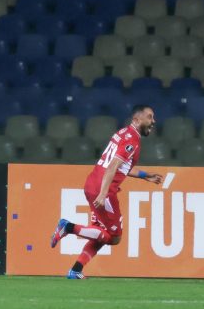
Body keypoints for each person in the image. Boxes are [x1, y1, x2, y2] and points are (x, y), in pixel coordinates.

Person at [49, 105, 163, 279]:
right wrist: (103, 194)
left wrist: (144, 175)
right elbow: (112, 166)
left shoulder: (123, 133)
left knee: (101, 234)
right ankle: (68, 227)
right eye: (150, 117)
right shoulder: (132, 139)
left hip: (92, 184)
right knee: (114, 237)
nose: (153, 121)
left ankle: (76, 270)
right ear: (137, 119)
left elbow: (122, 167)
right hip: (103, 190)